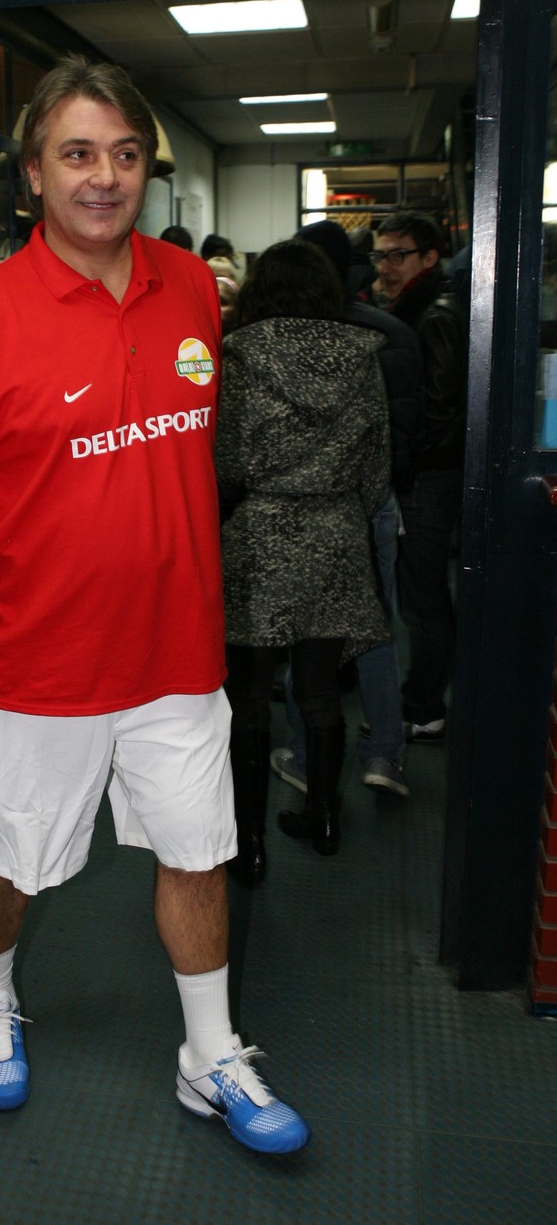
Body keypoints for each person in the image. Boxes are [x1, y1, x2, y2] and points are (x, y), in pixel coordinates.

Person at [0, 55, 309, 1156]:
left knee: (197, 851)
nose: (103, 177)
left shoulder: (191, 286)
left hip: (176, 657)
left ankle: (209, 1053)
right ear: (33, 173)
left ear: (146, 168)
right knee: (3, 858)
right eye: (77, 154)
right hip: (33, 668)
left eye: (123, 154)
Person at [216, 240, 390, 871]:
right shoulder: (361, 356)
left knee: (248, 698)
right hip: (336, 531)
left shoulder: (239, 355)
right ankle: (324, 820)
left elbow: (225, 458)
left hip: (258, 535)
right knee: (319, 692)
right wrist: (345, 508)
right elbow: (377, 464)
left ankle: (249, 843)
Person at [271, 219, 425, 800]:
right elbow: (406, 428)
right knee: (375, 629)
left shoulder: (282, 340)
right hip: (373, 501)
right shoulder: (389, 333)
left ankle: (306, 755)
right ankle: (384, 754)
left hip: (306, 505)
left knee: (306, 632)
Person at [372, 210, 467, 742]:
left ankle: (425, 707)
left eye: (398, 255)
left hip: (427, 479)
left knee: (423, 599)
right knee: (420, 597)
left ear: (430, 258)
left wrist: (403, 464)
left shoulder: (432, 317)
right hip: (425, 475)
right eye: (380, 255)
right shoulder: (416, 311)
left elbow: (439, 410)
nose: (386, 266)